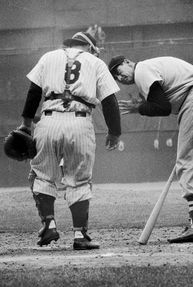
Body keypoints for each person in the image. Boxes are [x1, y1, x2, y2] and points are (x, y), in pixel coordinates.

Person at [19, 31, 121, 250]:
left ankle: (49, 224)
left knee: (43, 175)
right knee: (79, 179)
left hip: (48, 120)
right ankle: (79, 236)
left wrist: (27, 123)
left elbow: (33, 92)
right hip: (80, 122)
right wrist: (115, 132)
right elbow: (110, 100)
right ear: (90, 48)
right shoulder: (95, 62)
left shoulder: (48, 57)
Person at [108, 55, 193, 243]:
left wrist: (140, 108)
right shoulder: (153, 66)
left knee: (187, 163)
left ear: (128, 62)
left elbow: (162, 107)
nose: (120, 78)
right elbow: (164, 104)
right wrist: (142, 106)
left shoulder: (142, 69)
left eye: (118, 72)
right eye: (115, 77)